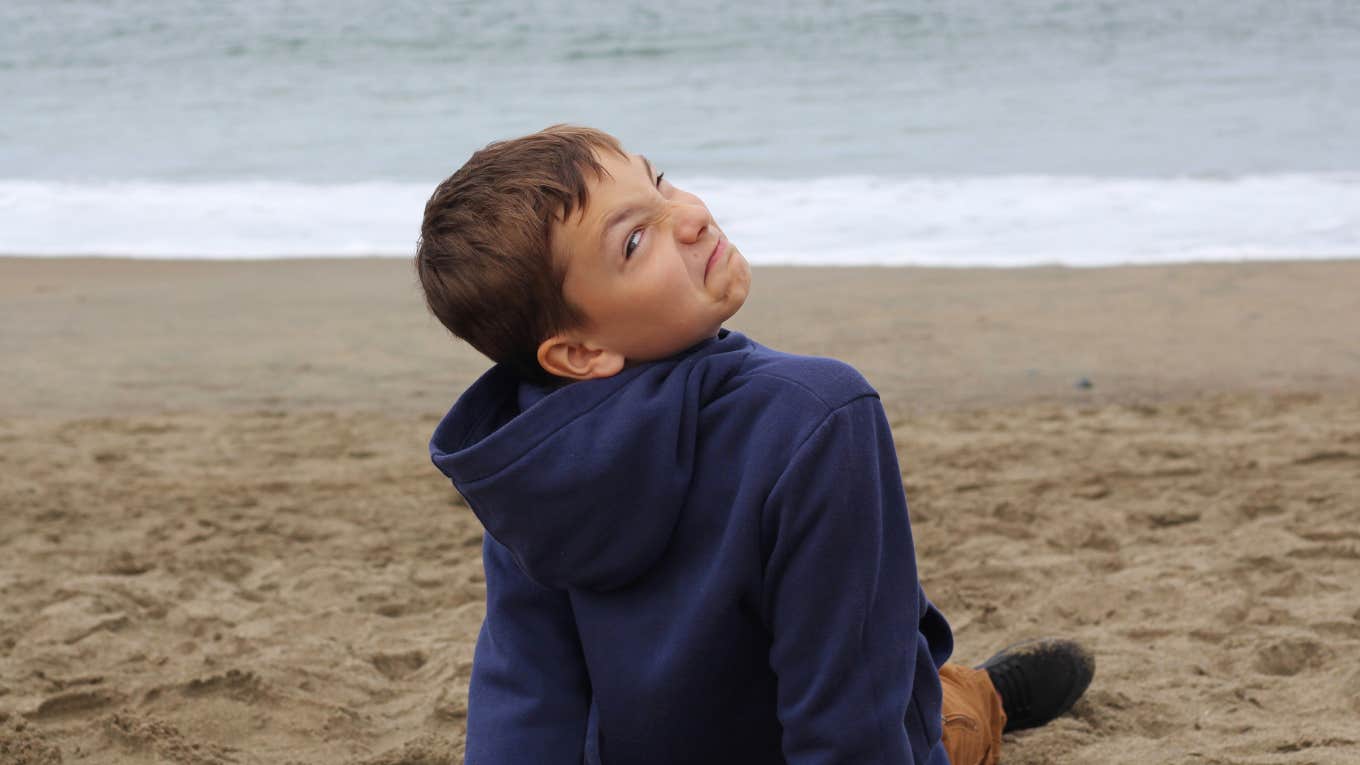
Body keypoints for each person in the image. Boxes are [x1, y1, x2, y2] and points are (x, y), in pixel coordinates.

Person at [417, 125, 1093, 765]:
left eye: (662, 184)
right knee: (941, 720)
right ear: (578, 349)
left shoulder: (531, 454)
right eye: (633, 241)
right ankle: (982, 700)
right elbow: (849, 701)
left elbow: (526, 698)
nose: (691, 216)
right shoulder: (818, 412)